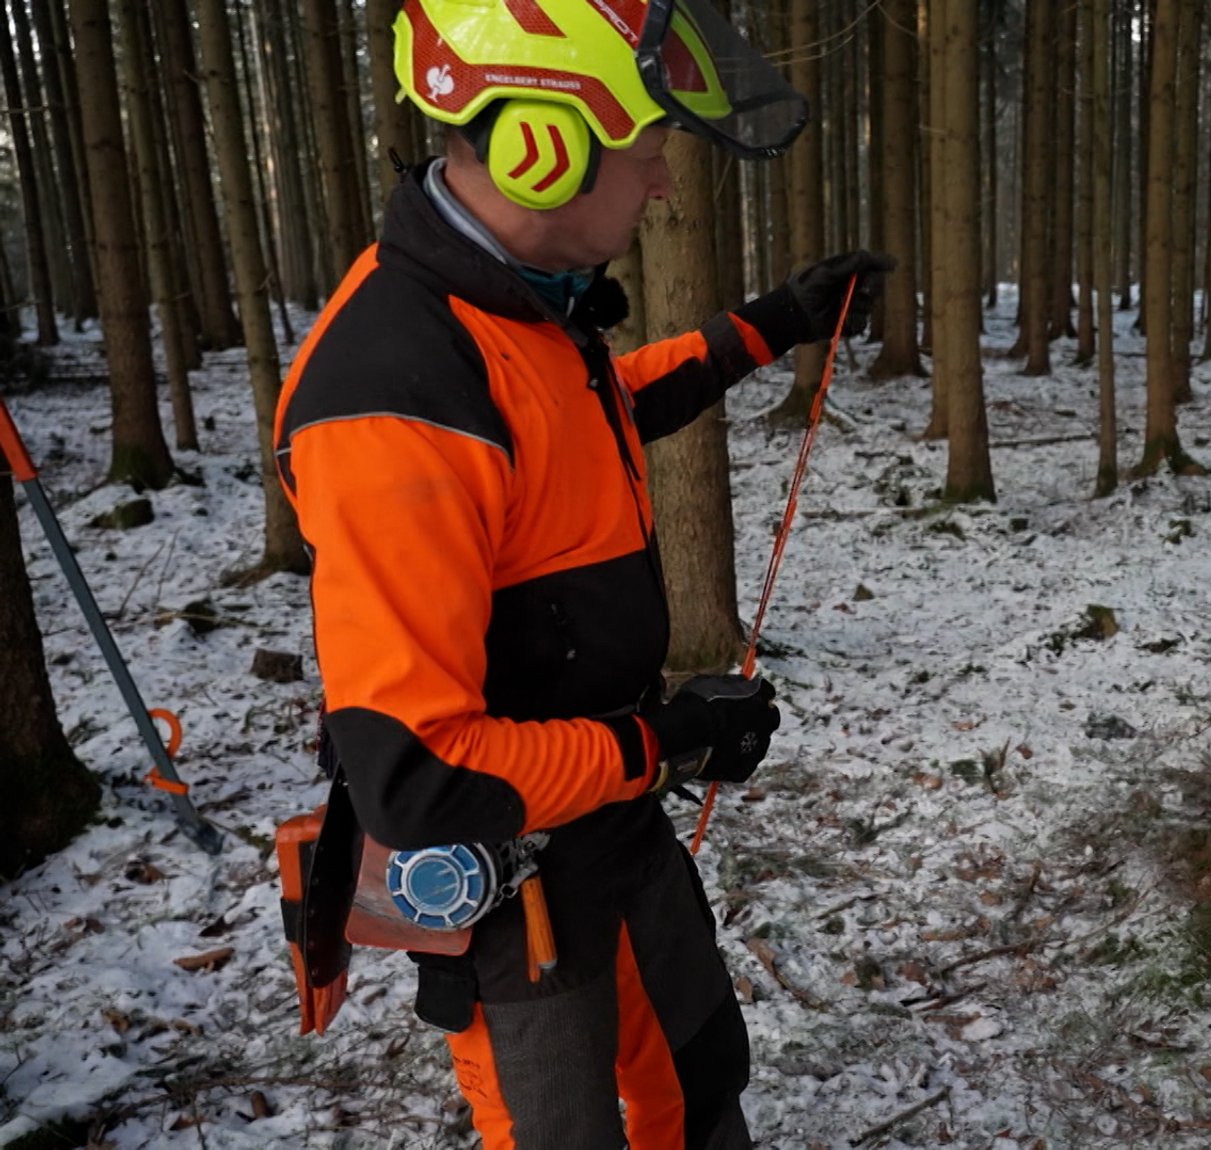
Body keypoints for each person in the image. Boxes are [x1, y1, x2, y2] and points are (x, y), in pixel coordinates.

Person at [272, 2, 891, 1144]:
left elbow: (581, 417)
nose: (661, 187)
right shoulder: (397, 391)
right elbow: (416, 773)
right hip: (514, 887)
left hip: (607, 820)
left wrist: (761, 328)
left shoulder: (507, 304)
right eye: (650, 156)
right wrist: (664, 741)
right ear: (540, 152)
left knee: (698, 1077)